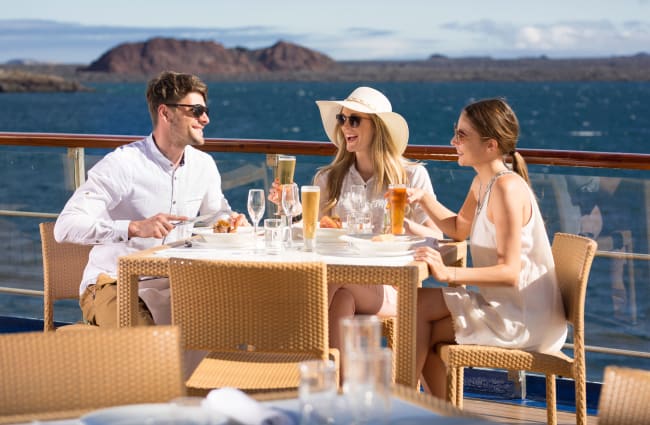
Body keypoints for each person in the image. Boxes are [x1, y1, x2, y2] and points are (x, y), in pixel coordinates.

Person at [54, 70, 247, 328]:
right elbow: (65, 226)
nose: (206, 119)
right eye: (196, 111)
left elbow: (217, 217)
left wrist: (231, 222)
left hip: (176, 283)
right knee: (146, 346)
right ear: (165, 113)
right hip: (114, 284)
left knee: (242, 319)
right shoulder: (123, 164)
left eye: (205, 110)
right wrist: (133, 227)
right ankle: (89, 346)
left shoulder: (204, 165)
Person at [407, 98, 567, 398]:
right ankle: (432, 412)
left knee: (415, 316)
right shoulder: (483, 183)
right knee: (415, 309)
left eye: (462, 135)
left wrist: (447, 274)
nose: (453, 141)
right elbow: (458, 228)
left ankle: (399, 407)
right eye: (456, 132)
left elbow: (509, 272)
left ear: (491, 145)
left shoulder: (506, 188)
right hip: (504, 308)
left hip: (524, 319)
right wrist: (422, 199)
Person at [269, 86, 442, 357]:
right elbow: (312, 232)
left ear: (379, 127)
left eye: (354, 120)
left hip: (391, 286)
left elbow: (436, 236)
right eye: (342, 119)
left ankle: (294, 361)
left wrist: (402, 228)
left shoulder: (411, 176)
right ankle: (341, 387)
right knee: (341, 297)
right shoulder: (329, 178)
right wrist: (288, 208)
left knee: (329, 285)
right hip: (340, 282)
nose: (345, 126)